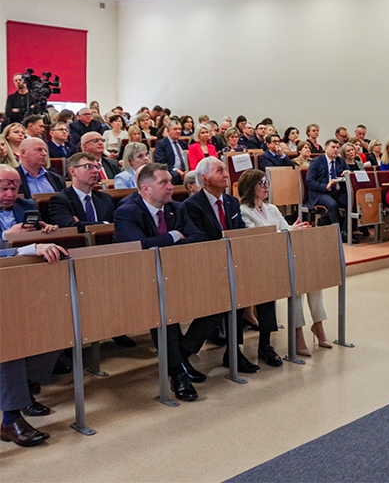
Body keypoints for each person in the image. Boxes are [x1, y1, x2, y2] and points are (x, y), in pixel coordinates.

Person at [112, 163, 209, 401]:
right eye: (163, 183)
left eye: (170, 181)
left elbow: (198, 237)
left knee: (218, 300)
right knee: (162, 310)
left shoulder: (177, 208)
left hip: (178, 274)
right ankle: (177, 373)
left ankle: (182, 355)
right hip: (140, 280)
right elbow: (139, 248)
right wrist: (174, 236)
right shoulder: (126, 211)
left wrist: (161, 242)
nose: (170, 186)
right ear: (145, 189)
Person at [0, 165, 69, 448]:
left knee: (54, 329)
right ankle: (10, 418)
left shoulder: (27, 205)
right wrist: (16, 241)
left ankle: (23, 391)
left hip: (21, 286)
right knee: (8, 339)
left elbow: (38, 244)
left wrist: (42, 234)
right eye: (3, 187)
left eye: (15, 187)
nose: (10, 193)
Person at [183, 157, 267, 371]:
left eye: (225, 170)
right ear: (204, 178)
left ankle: (233, 352)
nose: (225, 174)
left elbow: (237, 231)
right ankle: (184, 352)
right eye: (219, 171)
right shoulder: (192, 206)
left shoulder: (230, 201)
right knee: (217, 306)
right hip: (205, 266)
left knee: (239, 297)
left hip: (231, 264)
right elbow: (199, 240)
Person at [237, 169, 329, 357]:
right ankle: (297, 333)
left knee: (313, 280)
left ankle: (318, 325)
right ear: (250, 187)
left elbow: (284, 229)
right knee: (295, 285)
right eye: (262, 184)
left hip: (281, 258)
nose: (266, 187)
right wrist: (287, 232)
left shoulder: (272, 208)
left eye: (267, 183)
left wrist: (294, 229)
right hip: (261, 264)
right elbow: (257, 239)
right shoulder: (243, 211)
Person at [48, 152, 115, 230]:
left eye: (97, 167)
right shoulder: (60, 200)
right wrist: (104, 223)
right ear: (72, 171)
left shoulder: (105, 198)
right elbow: (70, 228)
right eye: (88, 166)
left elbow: (116, 224)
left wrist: (80, 224)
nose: (95, 171)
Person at [305, 139, 349, 236]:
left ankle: (345, 231)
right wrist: (326, 186)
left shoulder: (340, 161)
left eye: (337, 148)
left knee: (351, 203)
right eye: (333, 147)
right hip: (320, 192)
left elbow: (348, 173)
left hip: (336, 191)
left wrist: (347, 174)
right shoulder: (316, 162)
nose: (336, 150)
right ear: (325, 149)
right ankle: (336, 232)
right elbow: (309, 181)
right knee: (332, 205)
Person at [153, 120, 188, 184]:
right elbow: (161, 162)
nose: (178, 131)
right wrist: (176, 170)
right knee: (175, 175)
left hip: (185, 170)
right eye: (175, 129)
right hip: (170, 170)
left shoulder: (183, 143)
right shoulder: (161, 144)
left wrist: (187, 170)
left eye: (179, 129)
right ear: (168, 130)